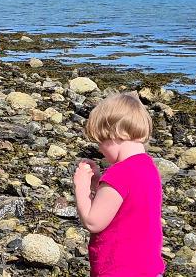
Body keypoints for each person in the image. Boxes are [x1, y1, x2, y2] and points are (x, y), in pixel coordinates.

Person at [74, 92, 166, 277]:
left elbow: (93, 222)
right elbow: (123, 210)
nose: (100, 148)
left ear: (116, 134)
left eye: (101, 141)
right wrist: (95, 185)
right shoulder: (148, 168)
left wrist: (81, 187)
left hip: (119, 269)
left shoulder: (119, 174)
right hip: (149, 268)